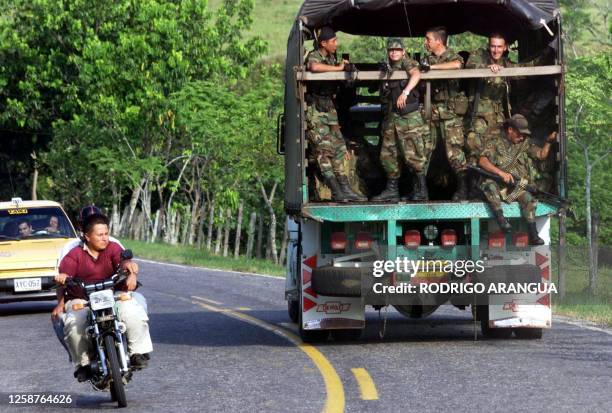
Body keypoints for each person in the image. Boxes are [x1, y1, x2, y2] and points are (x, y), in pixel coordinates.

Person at [52, 213, 152, 381]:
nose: (105, 238)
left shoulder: (113, 248)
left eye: (106, 233)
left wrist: (131, 272)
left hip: (114, 295)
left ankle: (137, 353)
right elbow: (64, 275)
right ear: (87, 236)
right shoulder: (74, 255)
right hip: (82, 300)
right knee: (73, 323)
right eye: (100, 235)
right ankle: (83, 364)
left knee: (132, 310)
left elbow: (125, 263)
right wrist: (62, 279)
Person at [305, 26, 366, 202]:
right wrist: (339, 69)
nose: (336, 44)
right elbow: (313, 67)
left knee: (339, 147)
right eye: (333, 41)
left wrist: (345, 70)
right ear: (323, 43)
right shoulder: (315, 56)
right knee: (324, 151)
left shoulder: (331, 58)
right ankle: (335, 190)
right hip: (316, 110)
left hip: (330, 109)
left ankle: (344, 189)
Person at [478, 114, 557, 245]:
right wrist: (500, 173)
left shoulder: (524, 144)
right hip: (497, 183)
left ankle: (533, 234)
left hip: (514, 186)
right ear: (510, 130)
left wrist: (548, 141)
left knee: (528, 199)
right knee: (490, 186)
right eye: (519, 134)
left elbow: (541, 155)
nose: (522, 137)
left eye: (524, 135)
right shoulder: (495, 143)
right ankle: (502, 221)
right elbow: (482, 161)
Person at [372, 38, 432, 202]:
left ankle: (421, 191)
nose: (394, 53)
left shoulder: (408, 62)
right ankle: (392, 190)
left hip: (409, 117)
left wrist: (405, 92)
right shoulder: (388, 68)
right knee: (388, 155)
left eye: (397, 50)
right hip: (393, 117)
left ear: (403, 51)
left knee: (414, 155)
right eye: (391, 50)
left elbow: (416, 74)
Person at [422, 27, 469, 201]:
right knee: (424, 150)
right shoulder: (427, 58)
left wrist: (431, 68)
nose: (425, 42)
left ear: (438, 41)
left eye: (428, 39)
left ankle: (463, 189)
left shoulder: (452, 56)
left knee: (455, 153)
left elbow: (457, 65)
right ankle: (421, 190)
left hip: (450, 113)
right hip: (433, 111)